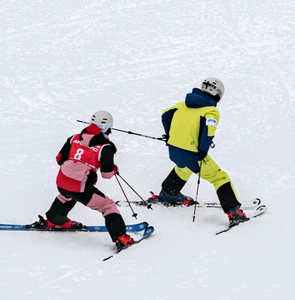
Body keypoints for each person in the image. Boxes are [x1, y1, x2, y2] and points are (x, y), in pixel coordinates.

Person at [151, 77, 249, 227]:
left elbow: (165, 115)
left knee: (183, 167)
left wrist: (170, 135)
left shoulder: (182, 105)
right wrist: (202, 151)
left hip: (174, 150)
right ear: (218, 95)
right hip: (193, 154)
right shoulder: (211, 111)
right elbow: (209, 130)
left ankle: (168, 194)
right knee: (219, 177)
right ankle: (234, 212)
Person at [34, 111, 137, 252]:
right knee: (107, 206)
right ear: (108, 127)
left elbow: (59, 159)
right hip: (80, 188)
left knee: (67, 195)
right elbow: (106, 175)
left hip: (61, 182)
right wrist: (113, 168)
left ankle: (55, 220)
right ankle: (121, 237)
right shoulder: (105, 147)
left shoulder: (74, 137)